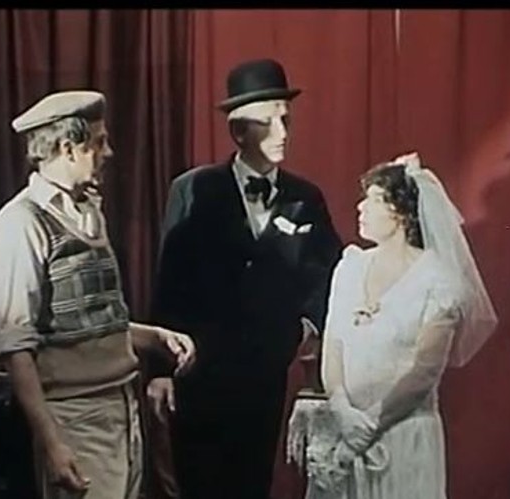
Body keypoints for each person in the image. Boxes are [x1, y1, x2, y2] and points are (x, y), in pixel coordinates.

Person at [0, 90, 196, 499]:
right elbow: (17, 347)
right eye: (99, 142)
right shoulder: (22, 224)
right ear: (68, 148)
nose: (108, 152)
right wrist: (52, 443)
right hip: (75, 416)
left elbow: (85, 318)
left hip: (122, 405)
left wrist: (153, 337)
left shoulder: (89, 212)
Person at [149, 58, 344, 499]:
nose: (283, 132)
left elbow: (329, 272)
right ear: (238, 132)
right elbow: (170, 280)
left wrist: (305, 326)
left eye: (286, 120)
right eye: (268, 122)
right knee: (198, 485)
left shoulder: (305, 198)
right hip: (199, 374)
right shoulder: (193, 189)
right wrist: (160, 371)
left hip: (264, 377)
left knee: (252, 485)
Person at [287, 152, 498, 499]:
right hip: (347, 429)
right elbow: (334, 344)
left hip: (403, 435)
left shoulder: (438, 279)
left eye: (373, 200)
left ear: (400, 212)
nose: (360, 208)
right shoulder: (351, 265)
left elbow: (425, 370)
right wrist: (342, 410)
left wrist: (369, 427)